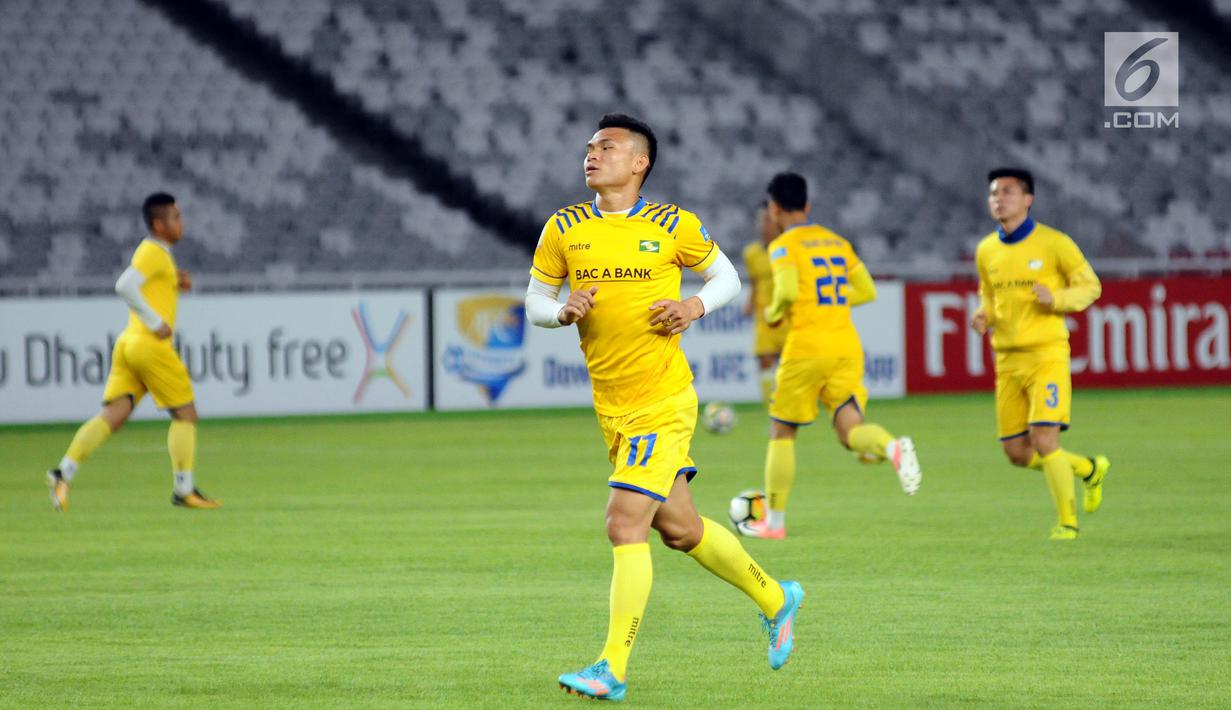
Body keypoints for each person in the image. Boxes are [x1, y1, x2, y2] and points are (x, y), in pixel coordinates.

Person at [525, 114, 804, 702]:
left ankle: (612, 666)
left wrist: (693, 307)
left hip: (663, 399)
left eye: (607, 146)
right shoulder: (564, 227)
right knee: (680, 530)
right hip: (613, 406)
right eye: (590, 147)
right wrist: (561, 313)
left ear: (639, 162)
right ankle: (778, 599)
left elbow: (725, 275)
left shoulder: (672, 224)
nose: (592, 154)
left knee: (623, 523)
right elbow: (534, 300)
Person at [738, 173, 921, 541]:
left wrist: (775, 310)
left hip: (807, 346)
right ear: (807, 205)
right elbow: (867, 291)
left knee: (782, 431)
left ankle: (773, 523)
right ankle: (890, 446)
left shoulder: (783, 245)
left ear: (774, 210)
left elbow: (787, 290)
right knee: (849, 429)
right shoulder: (837, 242)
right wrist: (832, 303)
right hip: (846, 345)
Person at [46, 193, 220, 511]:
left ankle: (63, 473)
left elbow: (145, 285)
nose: (181, 223)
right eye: (175, 217)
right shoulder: (153, 251)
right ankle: (184, 489)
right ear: (159, 223)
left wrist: (174, 282)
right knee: (186, 414)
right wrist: (156, 322)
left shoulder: (159, 256)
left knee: (112, 415)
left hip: (128, 344)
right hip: (150, 346)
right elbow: (125, 285)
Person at [971, 168, 1110, 541]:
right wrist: (986, 314)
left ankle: (1068, 523)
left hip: (1046, 354)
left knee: (1045, 440)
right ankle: (1088, 468)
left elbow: (1091, 286)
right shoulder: (986, 249)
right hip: (1007, 360)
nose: (999, 198)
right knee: (1017, 452)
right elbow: (989, 293)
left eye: (1009, 192)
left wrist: (1059, 299)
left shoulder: (1054, 243)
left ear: (1028, 199)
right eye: (994, 193)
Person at [743, 204, 788, 406]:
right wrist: (750, 302)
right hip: (764, 316)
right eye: (761, 220)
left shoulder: (789, 249)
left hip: (788, 315)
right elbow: (755, 282)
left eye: (767, 220)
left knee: (791, 364)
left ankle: (792, 404)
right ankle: (771, 408)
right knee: (765, 360)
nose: (764, 225)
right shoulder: (751, 253)